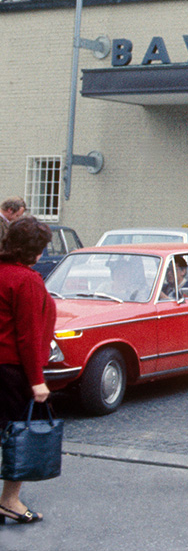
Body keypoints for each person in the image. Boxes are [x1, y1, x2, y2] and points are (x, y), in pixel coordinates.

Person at [0, 218, 55, 523]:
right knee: (16, 436)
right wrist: (37, 381)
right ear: (35, 250)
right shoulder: (27, 280)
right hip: (11, 370)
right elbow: (28, 336)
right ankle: (10, 500)